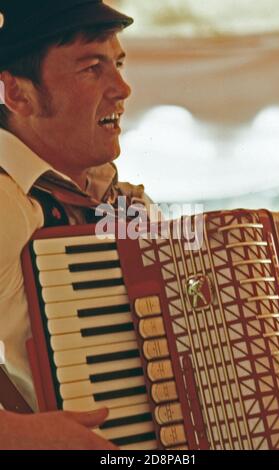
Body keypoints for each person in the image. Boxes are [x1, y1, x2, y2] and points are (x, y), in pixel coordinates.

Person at [0, 0, 149, 450]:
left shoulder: (121, 201)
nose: (121, 88)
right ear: (19, 94)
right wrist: (20, 434)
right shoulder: (9, 203)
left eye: (118, 64)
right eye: (92, 69)